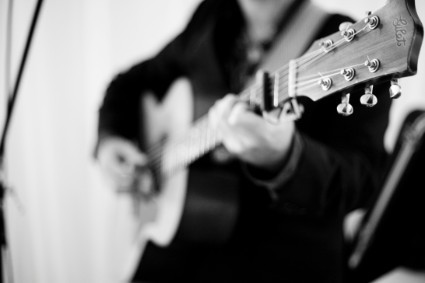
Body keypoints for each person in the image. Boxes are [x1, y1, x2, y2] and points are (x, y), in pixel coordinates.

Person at [95, 0, 393, 282]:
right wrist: (110, 141)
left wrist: (285, 159)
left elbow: (362, 181)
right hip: (173, 251)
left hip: (279, 264)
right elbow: (129, 84)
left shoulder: (346, 42)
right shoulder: (212, 16)